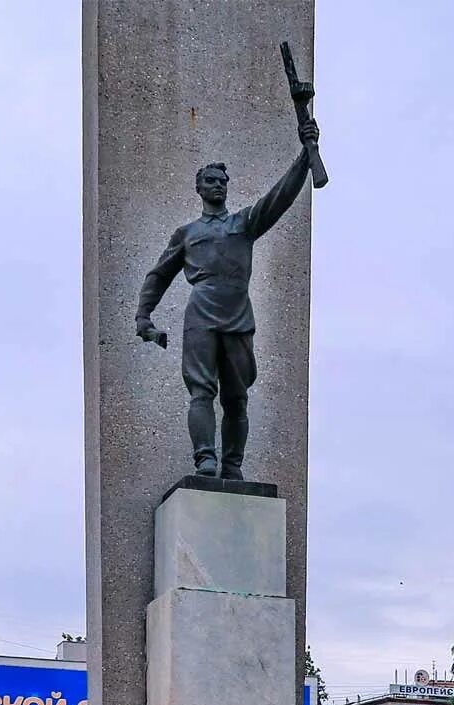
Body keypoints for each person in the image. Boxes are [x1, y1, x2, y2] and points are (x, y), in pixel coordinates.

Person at [135, 104, 321, 480]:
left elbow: (279, 197)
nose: (218, 185)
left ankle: (233, 465)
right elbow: (158, 275)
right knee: (201, 391)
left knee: (237, 398)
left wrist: (305, 156)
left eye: (223, 181)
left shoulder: (244, 223)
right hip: (201, 316)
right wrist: (144, 315)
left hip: (238, 316)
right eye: (211, 181)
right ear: (199, 188)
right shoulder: (187, 234)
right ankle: (205, 458)